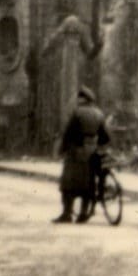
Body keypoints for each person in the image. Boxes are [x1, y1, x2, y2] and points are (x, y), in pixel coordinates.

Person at [55, 87, 109, 224]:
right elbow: (105, 136)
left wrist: (62, 148)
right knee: (88, 183)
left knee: (68, 183)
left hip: (76, 151)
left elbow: (69, 133)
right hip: (92, 151)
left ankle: (67, 213)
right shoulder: (99, 114)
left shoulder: (77, 113)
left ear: (82, 99)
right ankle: (83, 213)